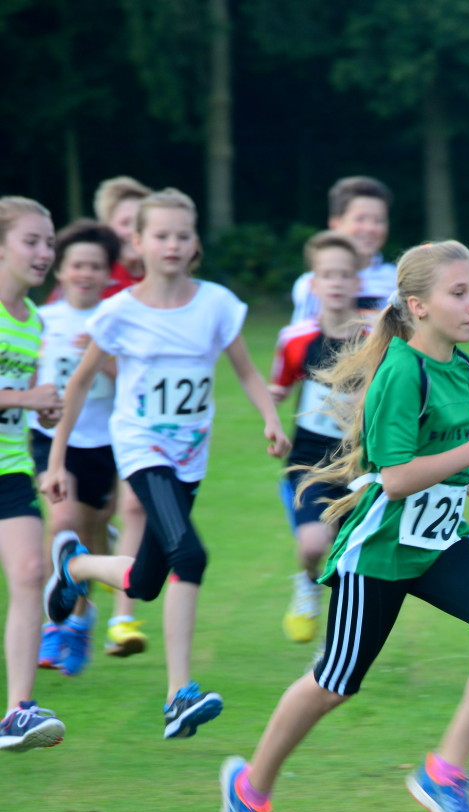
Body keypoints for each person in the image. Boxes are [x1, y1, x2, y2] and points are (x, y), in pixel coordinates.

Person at [219, 239, 469, 812]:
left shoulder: (460, 365)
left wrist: (468, 480)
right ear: (417, 306)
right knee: (334, 685)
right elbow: (393, 478)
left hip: (439, 542)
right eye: (459, 293)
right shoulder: (402, 369)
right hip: (381, 552)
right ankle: (249, 790)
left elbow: (439, 441)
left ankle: (444, 774)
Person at [41, 187, 290, 740]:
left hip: (190, 457)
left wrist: (270, 418)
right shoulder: (119, 312)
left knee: (147, 579)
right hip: (140, 448)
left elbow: (247, 371)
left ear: (194, 240)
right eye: (161, 235)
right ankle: (180, 695)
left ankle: (76, 568)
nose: (172, 244)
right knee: (191, 554)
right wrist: (57, 460)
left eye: (182, 235)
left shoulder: (217, 305)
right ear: (138, 242)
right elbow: (79, 382)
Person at [31, 219, 121, 676]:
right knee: (61, 523)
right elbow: (27, 373)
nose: (85, 274)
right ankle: (57, 626)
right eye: (76, 265)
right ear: (60, 272)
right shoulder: (43, 320)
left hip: (102, 442)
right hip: (50, 438)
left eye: (95, 267)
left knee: (86, 536)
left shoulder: (116, 319)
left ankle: (82, 621)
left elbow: (136, 383)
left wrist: (103, 360)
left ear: (108, 274)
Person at [271, 230, 360, 643]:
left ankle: (337, 648)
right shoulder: (295, 339)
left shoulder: (379, 337)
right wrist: (271, 421)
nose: (337, 283)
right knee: (312, 544)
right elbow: (279, 388)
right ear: (313, 283)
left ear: (357, 283)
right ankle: (307, 583)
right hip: (310, 461)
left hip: (361, 463)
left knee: (350, 561)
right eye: (328, 275)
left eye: (345, 275)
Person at [0, 196, 66, 751]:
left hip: (10, 466)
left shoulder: (34, 321)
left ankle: (17, 710)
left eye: (49, 242)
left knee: (28, 571)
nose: (44, 252)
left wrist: (39, 408)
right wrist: (25, 395)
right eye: (31, 241)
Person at [92, 176, 153, 658]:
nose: (132, 233)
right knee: (99, 515)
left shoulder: (155, 286)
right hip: (93, 422)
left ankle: (123, 619)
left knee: (133, 509)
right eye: (123, 223)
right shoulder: (90, 275)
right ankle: (87, 570)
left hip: (139, 421)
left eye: (140, 223)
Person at [291, 176, 396, 324]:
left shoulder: (396, 280)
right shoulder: (311, 284)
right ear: (335, 223)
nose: (371, 228)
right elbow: (301, 338)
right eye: (361, 219)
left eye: (379, 221)